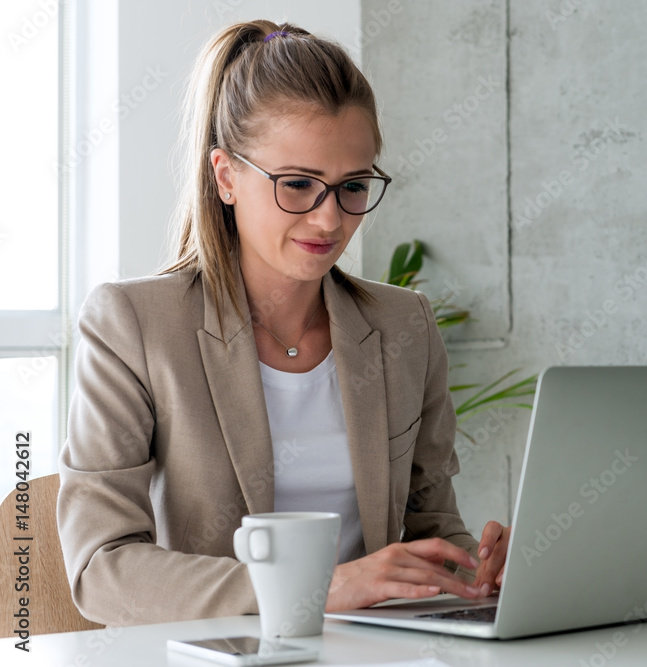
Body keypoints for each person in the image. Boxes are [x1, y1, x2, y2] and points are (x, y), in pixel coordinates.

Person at [57, 19, 509, 625]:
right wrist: (313, 588)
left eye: (353, 186)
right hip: (212, 656)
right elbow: (101, 569)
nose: (329, 220)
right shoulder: (133, 325)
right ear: (226, 176)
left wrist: (480, 571)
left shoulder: (406, 326)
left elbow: (433, 530)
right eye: (297, 184)